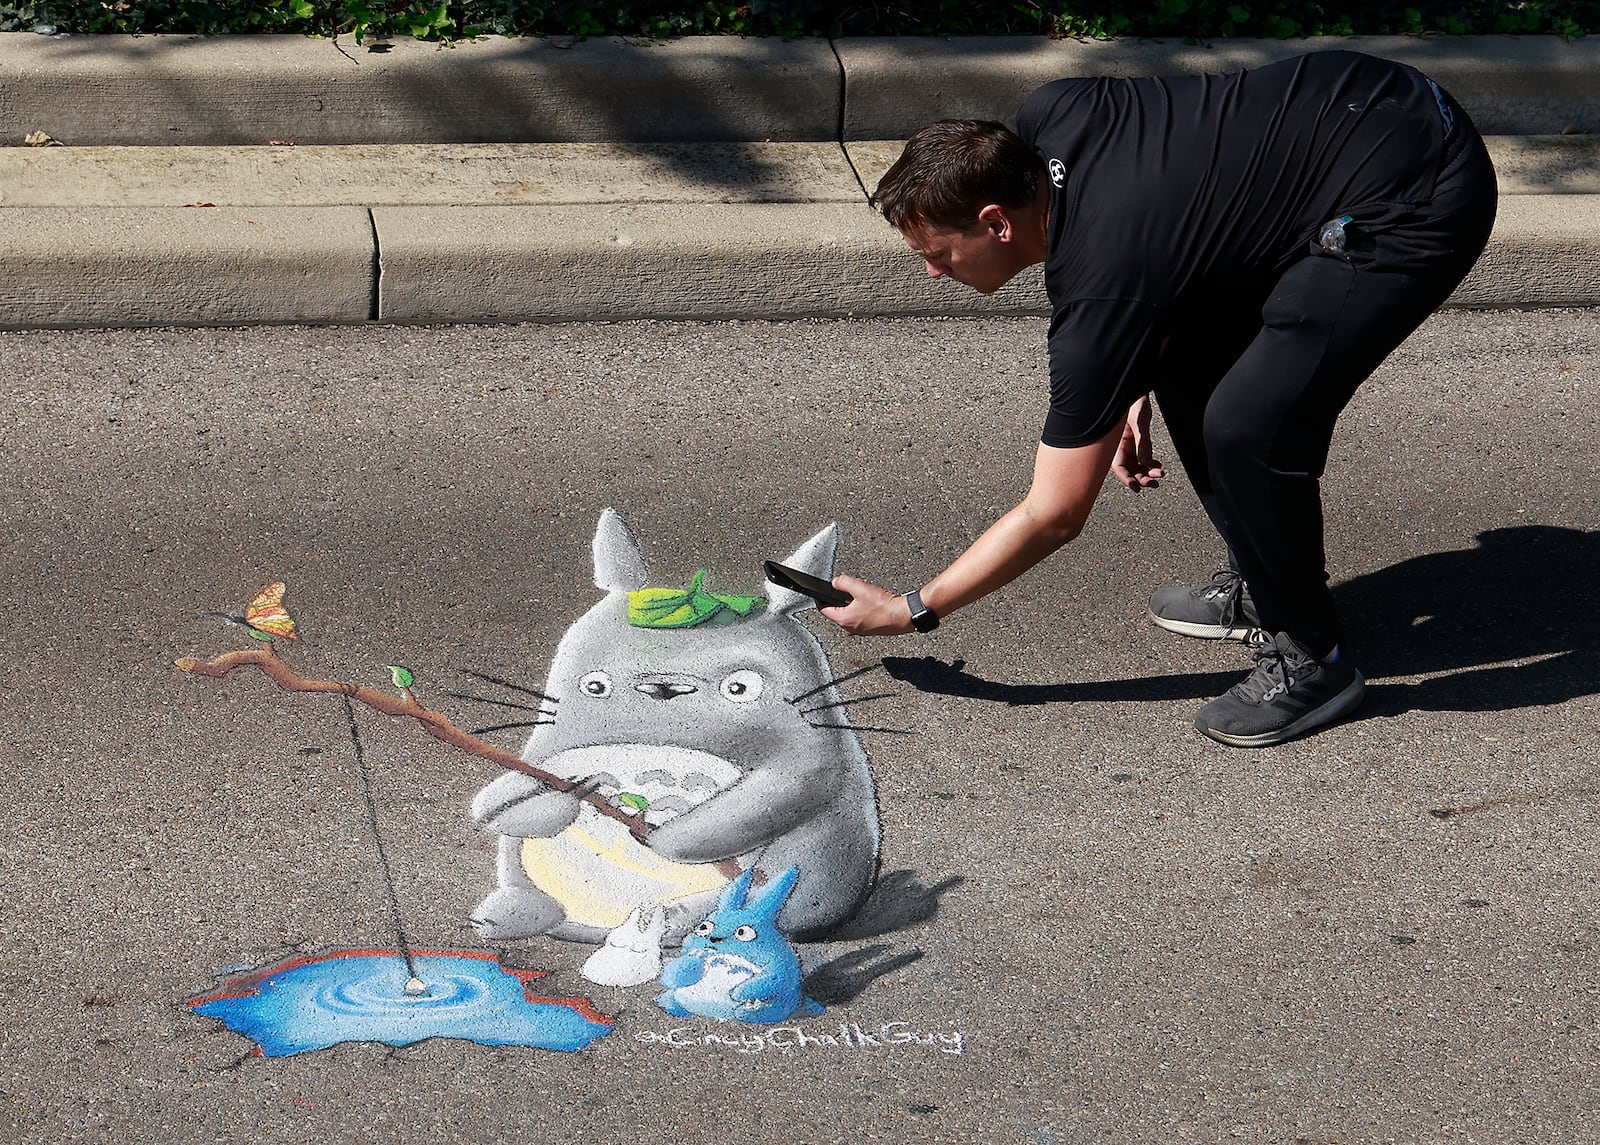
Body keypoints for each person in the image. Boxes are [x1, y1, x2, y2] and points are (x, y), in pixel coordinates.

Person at [819, 49, 1498, 747]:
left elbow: (1053, 513)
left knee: (1249, 426)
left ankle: (1315, 660)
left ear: (996, 221)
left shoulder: (1102, 286)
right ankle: (1266, 583)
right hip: (1366, 100)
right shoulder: (1049, 115)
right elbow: (1181, 213)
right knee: (1188, 361)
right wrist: (1135, 369)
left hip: (1421, 190)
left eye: (937, 252)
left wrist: (910, 610)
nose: (932, 273)